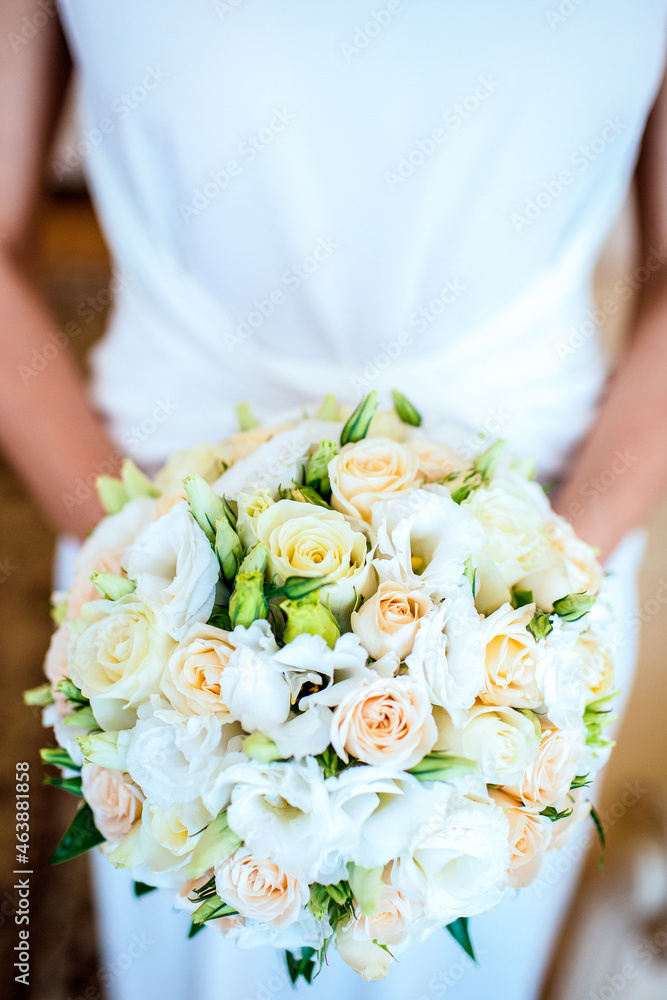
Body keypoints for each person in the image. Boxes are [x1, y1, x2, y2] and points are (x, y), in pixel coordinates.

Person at [2, 2, 667, 998]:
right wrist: (128, 562)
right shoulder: (140, 573)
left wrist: (539, 589)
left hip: (527, 597)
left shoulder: (532, 602)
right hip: (151, 564)